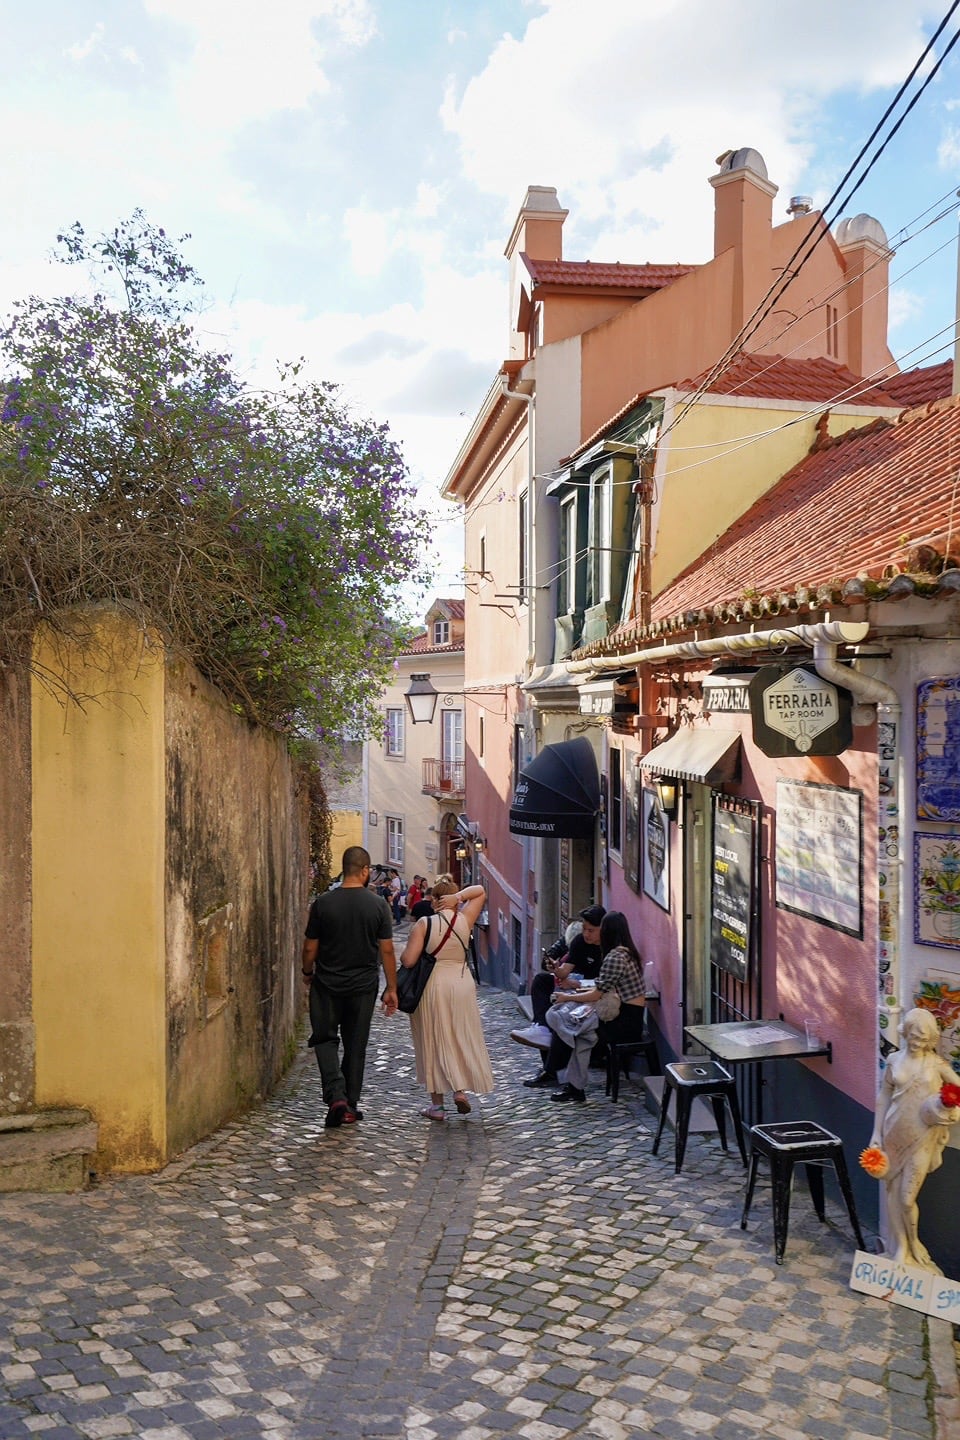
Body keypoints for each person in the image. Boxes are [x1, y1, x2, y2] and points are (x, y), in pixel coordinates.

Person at [301, 845, 398, 1129]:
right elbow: (387, 950)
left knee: (325, 1039)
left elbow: (310, 947)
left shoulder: (323, 904)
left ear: (345, 869)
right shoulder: (378, 905)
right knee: (356, 1044)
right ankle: (350, 1105)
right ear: (365, 871)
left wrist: (307, 972)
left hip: (327, 984)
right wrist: (391, 988)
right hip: (363, 986)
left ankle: (336, 1097)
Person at [867, 1007, 960, 1270]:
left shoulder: (936, 1064)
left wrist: (951, 1110)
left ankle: (914, 1242)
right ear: (906, 1032)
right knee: (892, 1192)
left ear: (930, 1039)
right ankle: (901, 1248)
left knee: (907, 1199)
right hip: (893, 1132)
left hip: (922, 1136)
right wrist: (876, 1133)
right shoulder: (894, 1060)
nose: (917, 1042)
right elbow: (884, 1096)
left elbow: (957, 1088)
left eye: (922, 1038)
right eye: (913, 1036)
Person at [399, 877, 494, 1120]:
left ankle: (437, 1107)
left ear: (434, 900)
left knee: (433, 1039)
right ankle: (459, 1091)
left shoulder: (424, 924)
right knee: (459, 1034)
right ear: (453, 899)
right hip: (462, 984)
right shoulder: (465, 919)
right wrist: (459, 898)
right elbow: (480, 891)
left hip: (434, 984)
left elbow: (408, 961)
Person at [543, 910, 648, 1104]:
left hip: (623, 1021)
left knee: (575, 1030)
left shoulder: (615, 957)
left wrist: (566, 997)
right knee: (582, 1034)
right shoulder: (627, 952)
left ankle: (572, 1083)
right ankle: (574, 1086)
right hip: (629, 1016)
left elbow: (596, 994)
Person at [516, 906, 606, 1081]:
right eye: (584, 929)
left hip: (592, 995)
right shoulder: (580, 942)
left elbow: (604, 985)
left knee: (559, 1013)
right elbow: (565, 970)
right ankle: (541, 1028)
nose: (586, 934)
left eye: (591, 930)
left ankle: (552, 1071)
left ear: (602, 929)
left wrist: (575, 984)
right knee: (542, 981)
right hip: (573, 987)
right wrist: (556, 969)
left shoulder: (608, 949)